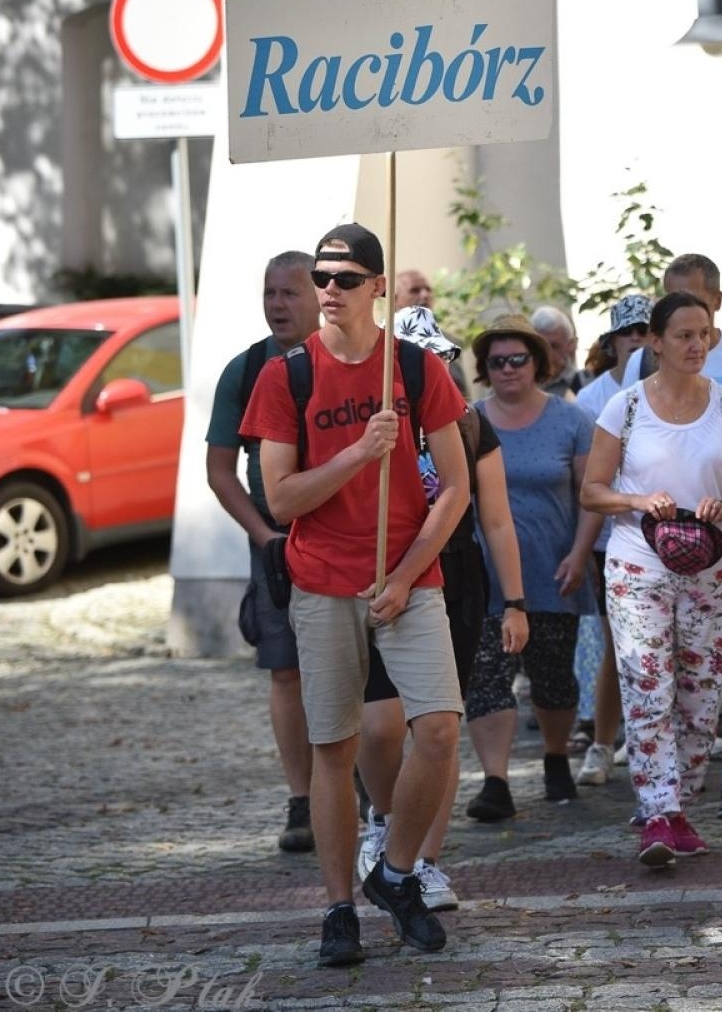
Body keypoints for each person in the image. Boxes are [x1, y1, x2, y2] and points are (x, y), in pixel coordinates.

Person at [239, 223, 470, 965]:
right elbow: (281, 501)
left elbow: (459, 489)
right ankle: (339, 907)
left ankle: (396, 875)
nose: (328, 290)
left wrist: (404, 577)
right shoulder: (287, 376)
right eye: (321, 276)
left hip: (407, 577)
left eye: (344, 278)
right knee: (332, 748)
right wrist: (358, 452)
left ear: (377, 287)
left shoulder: (413, 367)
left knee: (437, 729)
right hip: (321, 581)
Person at [353, 306, 529, 912]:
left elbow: (497, 520)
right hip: (374, 572)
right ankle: (381, 817)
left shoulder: (472, 424)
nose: (435, 369)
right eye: (421, 357)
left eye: (443, 359)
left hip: (453, 577)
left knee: (439, 727)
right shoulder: (369, 417)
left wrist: (515, 601)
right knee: (377, 725)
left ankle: (423, 860)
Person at [582, 291, 722, 866]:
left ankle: (677, 801)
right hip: (640, 561)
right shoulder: (626, 408)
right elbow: (592, 490)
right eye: (683, 334)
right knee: (647, 680)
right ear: (655, 342)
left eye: (703, 333)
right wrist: (638, 499)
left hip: (716, 566)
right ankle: (657, 811)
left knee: (701, 694)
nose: (696, 344)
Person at [205, 250, 320, 854]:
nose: (277, 304)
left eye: (289, 293)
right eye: (270, 293)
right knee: (286, 669)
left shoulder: (347, 361)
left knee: (354, 666)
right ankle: (302, 798)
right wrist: (264, 537)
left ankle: (354, 780)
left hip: (341, 540)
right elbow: (220, 470)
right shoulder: (246, 370)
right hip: (275, 544)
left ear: (318, 295)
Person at [463, 314, 600, 819]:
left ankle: (556, 755)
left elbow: (589, 495)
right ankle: (495, 781)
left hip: (553, 570)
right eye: (496, 362)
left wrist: (581, 553)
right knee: (487, 678)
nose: (507, 369)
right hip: (484, 578)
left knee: (554, 679)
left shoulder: (571, 421)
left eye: (517, 359)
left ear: (538, 362)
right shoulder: (469, 420)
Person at [573, 295, 652, 787]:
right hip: (611, 538)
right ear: (613, 341)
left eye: (646, 331)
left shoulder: (679, 392)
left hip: (673, 533)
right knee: (614, 645)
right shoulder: (592, 399)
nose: (638, 340)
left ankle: (663, 740)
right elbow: (583, 482)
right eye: (630, 333)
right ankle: (603, 742)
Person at [620, 253, 722, 395]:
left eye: (692, 300)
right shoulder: (642, 362)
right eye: (672, 299)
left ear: (717, 300)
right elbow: (624, 423)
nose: (681, 309)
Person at [532, 305, 585, 398]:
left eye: (554, 346)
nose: (546, 354)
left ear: (572, 345)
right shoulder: (521, 388)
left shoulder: (586, 385)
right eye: (540, 347)